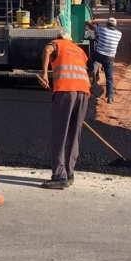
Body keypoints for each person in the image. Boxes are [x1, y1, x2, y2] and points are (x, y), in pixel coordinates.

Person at [38, 33, 91, 189]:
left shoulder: (57, 43)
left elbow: (47, 50)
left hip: (65, 92)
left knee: (61, 132)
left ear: (59, 38)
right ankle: (69, 173)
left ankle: (59, 175)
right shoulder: (79, 50)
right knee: (75, 133)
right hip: (83, 92)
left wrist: (44, 74)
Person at [86, 17, 123, 104]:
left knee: (91, 62)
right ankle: (110, 97)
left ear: (107, 24)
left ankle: (90, 71)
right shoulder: (119, 34)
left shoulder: (102, 30)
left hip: (99, 55)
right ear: (115, 25)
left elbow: (91, 27)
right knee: (109, 77)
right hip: (109, 58)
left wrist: (90, 22)